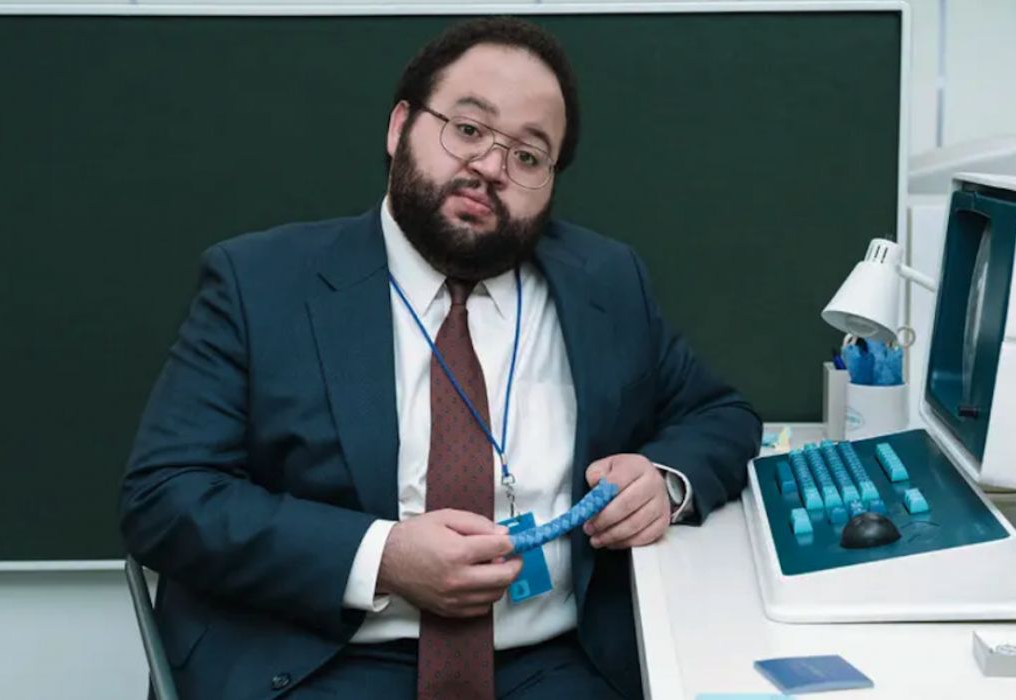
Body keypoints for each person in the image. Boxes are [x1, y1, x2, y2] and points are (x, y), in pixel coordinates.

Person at [120, 16, 761, 700]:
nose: (489, 165)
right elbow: (166, 496)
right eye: (468, 128)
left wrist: (661, 480)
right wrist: (382, 558)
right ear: (400, 128)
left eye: (528, 155)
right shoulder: (260, 283)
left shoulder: (605, 282)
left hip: (553, 661)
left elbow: (720, 416)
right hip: (320, 660)